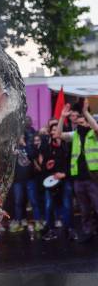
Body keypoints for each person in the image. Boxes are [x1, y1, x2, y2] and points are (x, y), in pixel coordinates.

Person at [58, 100, 98, 242]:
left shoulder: (94, 135)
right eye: (78, 123)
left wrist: (86, 112)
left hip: (93, 178)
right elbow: (58, 135)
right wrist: (62, 117)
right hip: (78, 180)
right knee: (84, 209)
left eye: (82, 122)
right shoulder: (75, 135)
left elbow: (96, 128)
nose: (79, 125)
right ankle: (88, 232)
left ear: (88, 122)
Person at [40, 123, 76, 241]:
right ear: (50, 132)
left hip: (65, 180)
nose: (55, 132)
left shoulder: (68, 146)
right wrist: (47, 167)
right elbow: (44, 167)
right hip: (51, 181)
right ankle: (51, 229)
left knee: (67, 205)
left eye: (57, 130)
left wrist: (64, 174)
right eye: (53, 130)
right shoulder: (47, 147)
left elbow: (73, 163)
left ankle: (69, 229)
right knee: (49, 205)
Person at [10, 135, 43, 232]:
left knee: (33, 201)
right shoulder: (12, 148)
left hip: (30, 179)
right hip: (17, 180)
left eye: (22, 135)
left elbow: (33, 155)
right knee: (18, 202)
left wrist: (25, 144)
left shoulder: (28, 146)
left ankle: (37, 222)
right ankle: (18, 222)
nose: (20, 137)